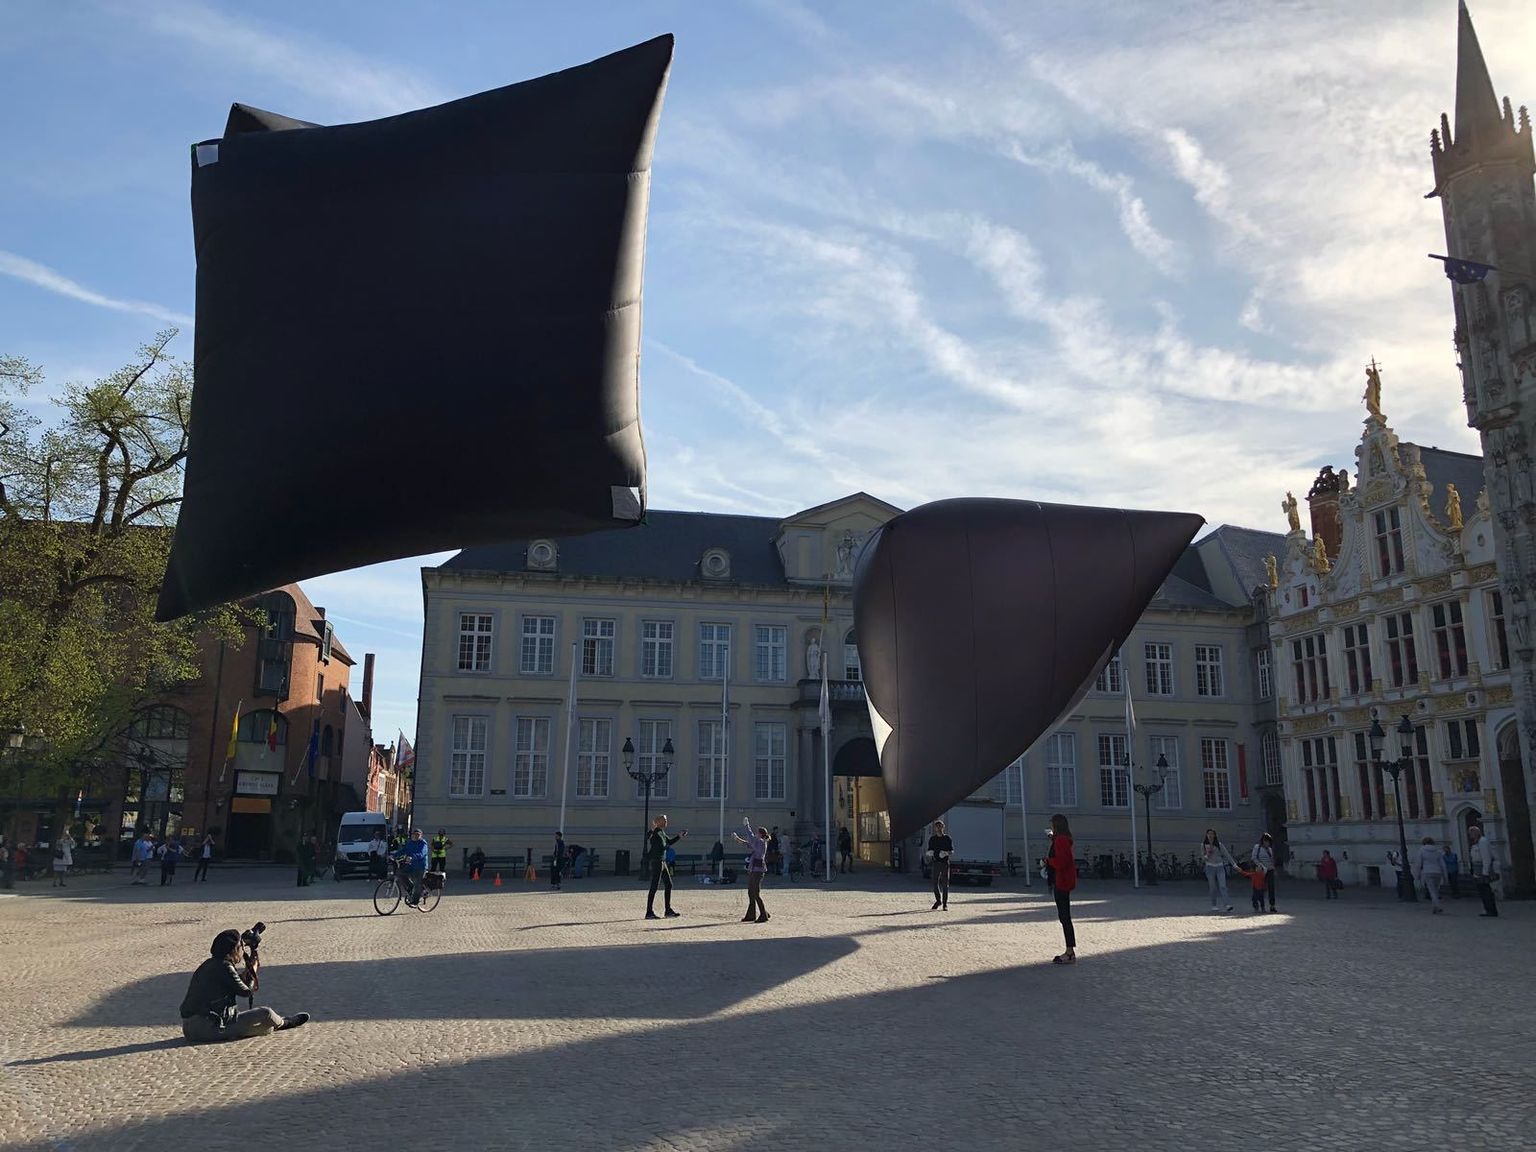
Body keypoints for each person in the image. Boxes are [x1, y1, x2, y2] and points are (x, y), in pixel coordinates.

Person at [180, 928, 309, 1042]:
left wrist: (248, 971)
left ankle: (269, 1025)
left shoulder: (209, 964)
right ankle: (285, 1023)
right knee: (266, 1014)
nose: (243, 951)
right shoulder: (225, 966)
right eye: (241, 947)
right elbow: (246, 991)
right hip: (209, 1028)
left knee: (261, 1026)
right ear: (234, 949)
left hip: (190, 1028)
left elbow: (232, 983)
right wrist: (253, 970)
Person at [1047, 814, 1078, 964]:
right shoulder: (1061, 839)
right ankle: (1069, 950)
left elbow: (1061, 861)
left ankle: (1070, 952)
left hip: (1061, 882)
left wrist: (1047, 861)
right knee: (1064, 917)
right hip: (1062, 881)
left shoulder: (1061, 840)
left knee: (1065, 917)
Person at [645, 815, 685, 920]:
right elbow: (647, 838)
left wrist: (679, 836)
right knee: (654, 886)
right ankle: (649, 912)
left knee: (669, 884)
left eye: (666, 819)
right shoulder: (655, 832)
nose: (666, 821)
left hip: (662, 861)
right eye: (664, 819)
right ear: (658, 822)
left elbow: (669, 842)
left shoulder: (662, 832)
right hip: (656, 861)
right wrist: (651, 830)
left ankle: (668, 910)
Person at [732, 818, 770, 923]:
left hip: (758, 871)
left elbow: (751, 839)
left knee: (756, 893)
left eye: (757, 833)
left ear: (760, 834)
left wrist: (747, 826)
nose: (756, 834)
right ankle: (751, 915)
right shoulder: (758, 842)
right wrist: (737, 839)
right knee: (751, 893)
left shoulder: (761, 842)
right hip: (754, 870)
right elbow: (748, 843)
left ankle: (763, 915)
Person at [1200, 829, 1236, 913]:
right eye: (1208, 834)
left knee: (1223, 886)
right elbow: (1203, 858)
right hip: (1209, 867)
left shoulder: (1219, 845)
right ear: (1206, 835)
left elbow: (1227, 855)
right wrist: (1207, 854)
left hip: (1220, 867)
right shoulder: (1203, 845)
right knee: (1212, 887)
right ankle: (1214, 905)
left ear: (1214, 835)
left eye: (1212, 834)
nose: (1210, 835)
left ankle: (1227, 904)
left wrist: (1234, 865)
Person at [1468, 824, 1499, 918]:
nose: (1471, 835)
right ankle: (1487, 909)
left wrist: (1485, 872)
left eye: (1472, 833)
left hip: (1482, 870)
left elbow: (1486, 857)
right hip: (1477, 870)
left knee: (1486, 891)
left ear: (1477, 833)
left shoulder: (1482, 842)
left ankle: (1491, 910)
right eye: (1470, 833)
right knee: (1483, 891)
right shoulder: (1476, 843)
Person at [393, 828, 430, 905]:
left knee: (417, 883)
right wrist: (394, 855)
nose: (416, 836)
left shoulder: (423, 843)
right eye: (414, 834)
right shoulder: (410, 843)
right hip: (411, 865)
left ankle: (415, 902)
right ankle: (410, 888)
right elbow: (404, 850)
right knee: (400, 873)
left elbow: (421, 853)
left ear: (421, 835)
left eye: (418, 835)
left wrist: (412, 857)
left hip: (420, 867)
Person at [1414, 836, 1447, 914]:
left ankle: (1437, 906)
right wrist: (1445, 876)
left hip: (1427, 871)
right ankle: (1435, 907)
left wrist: (1417, 875)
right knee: (1436, 890)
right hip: (1438, 872)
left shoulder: (1421, 850)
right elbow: (1443, 864)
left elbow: (1419, 864)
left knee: (1432, 890)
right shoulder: (1438, 851)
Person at [927, 819, 953, 911]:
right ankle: (938, 901)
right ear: (935, 828)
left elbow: (951, 851)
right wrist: (930, 853)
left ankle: (945, 904)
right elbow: (929, 850)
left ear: (943, 827)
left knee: (945, 884)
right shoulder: (932, 839)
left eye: (940, 827)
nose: (939, 828)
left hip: (944, 863)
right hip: (936, 863)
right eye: (937, 827)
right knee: (935, 883)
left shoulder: (947, 838)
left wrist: (946, 853)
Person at [1252, 831, 1278, 912]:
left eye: (1269, 842)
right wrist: (1260, 865)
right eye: (1266, 841)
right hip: (1261, 871)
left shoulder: (1270, 850)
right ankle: (1257, 903)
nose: (1267, 843)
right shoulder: (1257, 847)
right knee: (1259, 888)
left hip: (1270, 870)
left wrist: (1274, 869)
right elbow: (1254, 858)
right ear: (1263, 841)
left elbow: (1271, 860)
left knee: (1271, 888)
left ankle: (1272, 905)